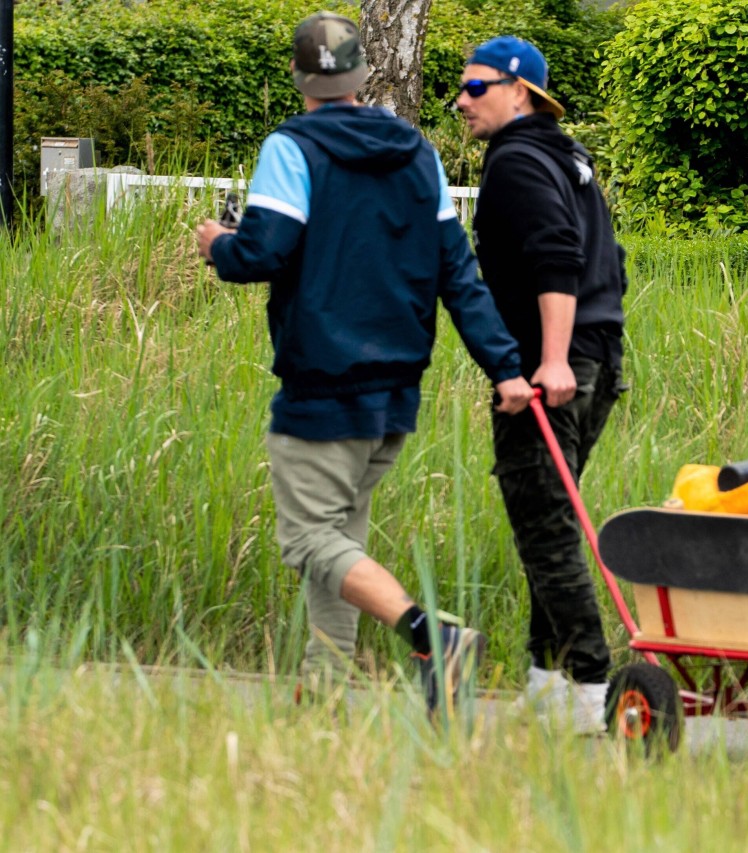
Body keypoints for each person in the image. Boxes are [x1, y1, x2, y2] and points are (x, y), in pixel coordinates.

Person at [195, 12, 533, 712]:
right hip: (395, 390)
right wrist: (503, 367)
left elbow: (261, 253)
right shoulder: (418, 153)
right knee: (341, 538)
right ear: (361, 75)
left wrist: (215, 244)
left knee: (310, 538)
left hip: (321, 382)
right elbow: (459, 276)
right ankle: (322, 687)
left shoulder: (291, 148)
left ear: (299, 77)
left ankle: (430, 633)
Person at [456, 36, 628, 733]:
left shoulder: (519, 162)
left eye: (475, 88)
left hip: (553, 367)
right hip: (600, 355)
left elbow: (557, 256)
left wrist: (552, 359)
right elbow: (607, 259)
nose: (461, 102)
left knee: (547, 528)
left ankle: (590, 686)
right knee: (548, 517)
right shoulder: (568, 156)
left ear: (519, 92)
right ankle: (546, 679)